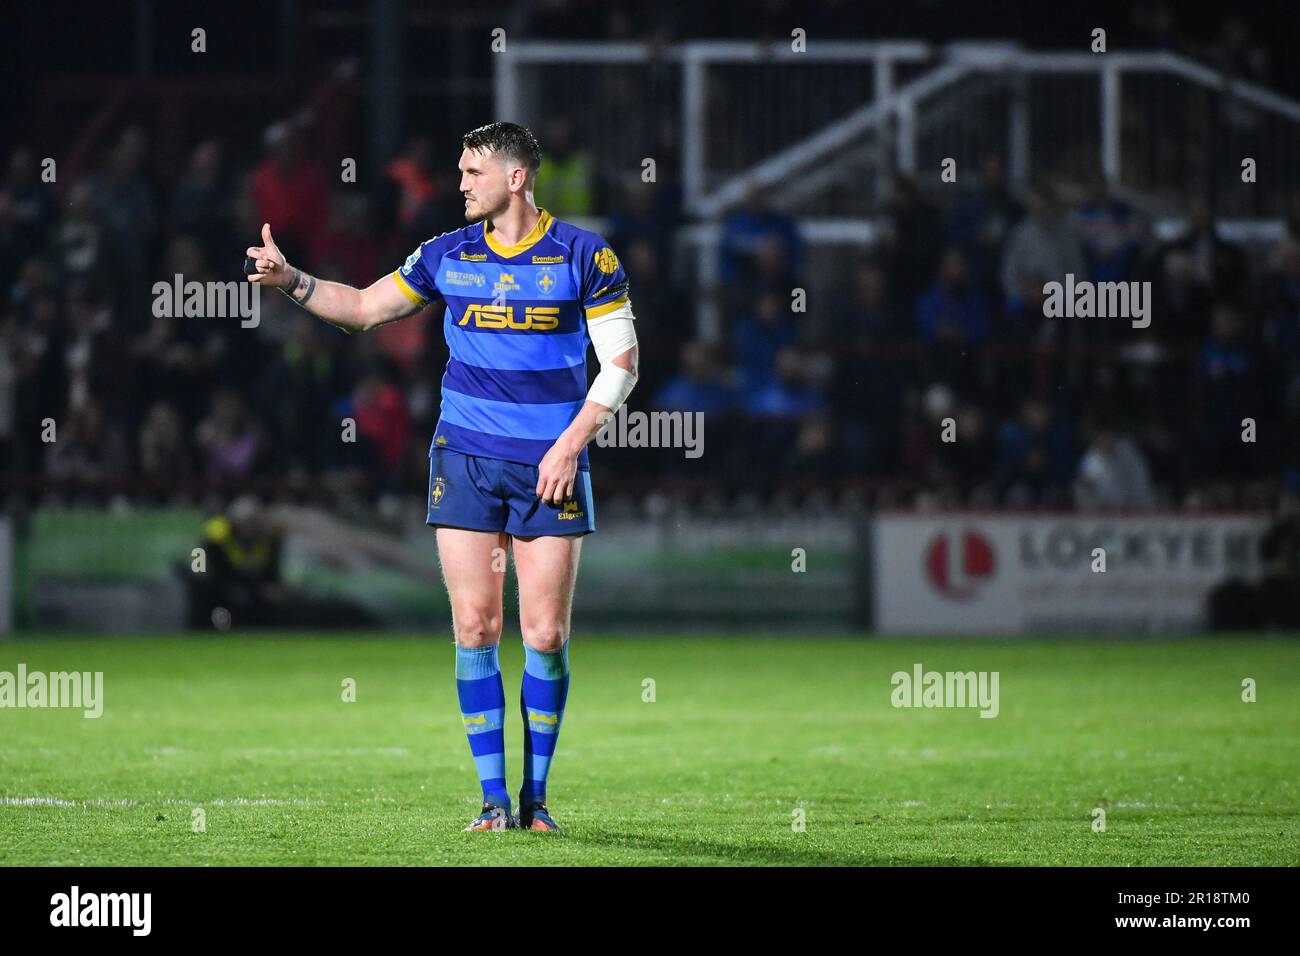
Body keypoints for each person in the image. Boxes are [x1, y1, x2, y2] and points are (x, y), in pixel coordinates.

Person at [244, 122, 639, 832]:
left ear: (516, 179)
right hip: (463, 461)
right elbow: (364, 309)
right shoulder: (445, 255)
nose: (458, 184)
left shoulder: (585, 255)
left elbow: (621, 364)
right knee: (474, 624)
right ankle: (493, 803)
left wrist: (570, 445)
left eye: (472, 172)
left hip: (552, 464)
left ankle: (536, 801)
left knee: (545, 633)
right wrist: (292, 281)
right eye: (458, 171)